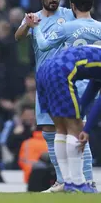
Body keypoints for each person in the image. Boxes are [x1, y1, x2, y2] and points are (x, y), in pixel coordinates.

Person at [14, 0, 94, 192]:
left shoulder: (69, 14)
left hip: (70, 82)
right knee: (50, 130)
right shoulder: (33, 17)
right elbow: (18, 36)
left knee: (76, 130)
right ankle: (63, 180)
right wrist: (28, 26)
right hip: (44, 82)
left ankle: (87, 180)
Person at [36, 44, 101, 193]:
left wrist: (80, 119)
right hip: (61, 71)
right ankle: (77, 184)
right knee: (74, 127)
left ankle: (67, 182)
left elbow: (91, 91)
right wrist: (85, 128)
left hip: (45, 69)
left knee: (61, 128)